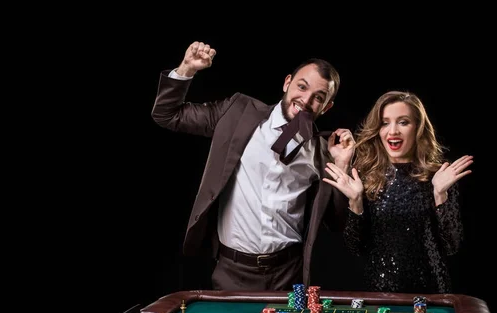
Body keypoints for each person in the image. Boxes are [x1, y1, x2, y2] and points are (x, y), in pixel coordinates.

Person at [151, 41, 355, 291]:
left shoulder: (324, 151)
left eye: (318, 98)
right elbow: (167, 114)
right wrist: (186, 68)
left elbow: (336, 223)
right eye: (302, 87)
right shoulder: (237, 113)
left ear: (327, 107)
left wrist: (342, 165)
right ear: (287, 82)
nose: (305, 99)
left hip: (288, 274)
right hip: (232, 271)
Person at [323, 91, 473, 293]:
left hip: (432, 292)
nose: (393, 131)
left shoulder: (439, 177)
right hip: (380, 293)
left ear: (417, 128)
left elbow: (451, 246)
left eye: (403, 122)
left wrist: (440, 195)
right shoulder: (365, 177)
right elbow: (356, 247)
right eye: (385, 123)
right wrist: (355, 202)